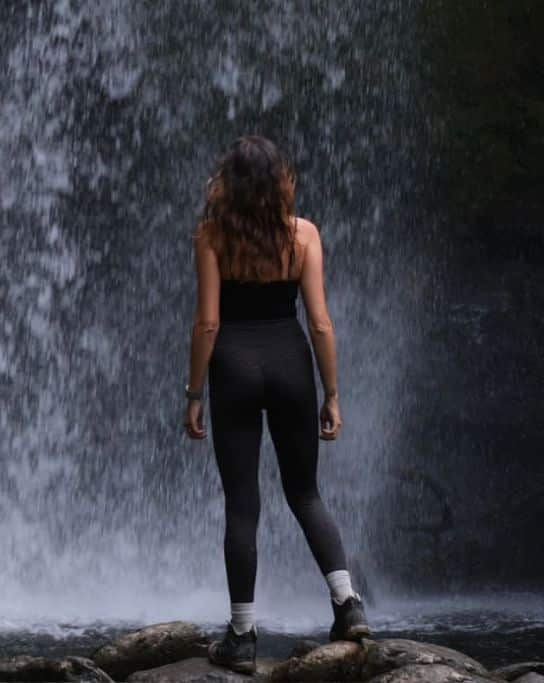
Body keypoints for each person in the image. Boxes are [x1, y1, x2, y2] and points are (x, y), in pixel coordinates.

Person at [183, 135, 371, 674]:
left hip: (234, 369)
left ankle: (241, 636)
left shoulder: (210, 236)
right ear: (281, 182)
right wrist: (331, 392)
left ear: (228, 184)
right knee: (305, 491)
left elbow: (208, 323)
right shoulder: (304, 234)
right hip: (291, 365)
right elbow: (319, 322)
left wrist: (194, 393)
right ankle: (347, 605)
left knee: (243, 505)